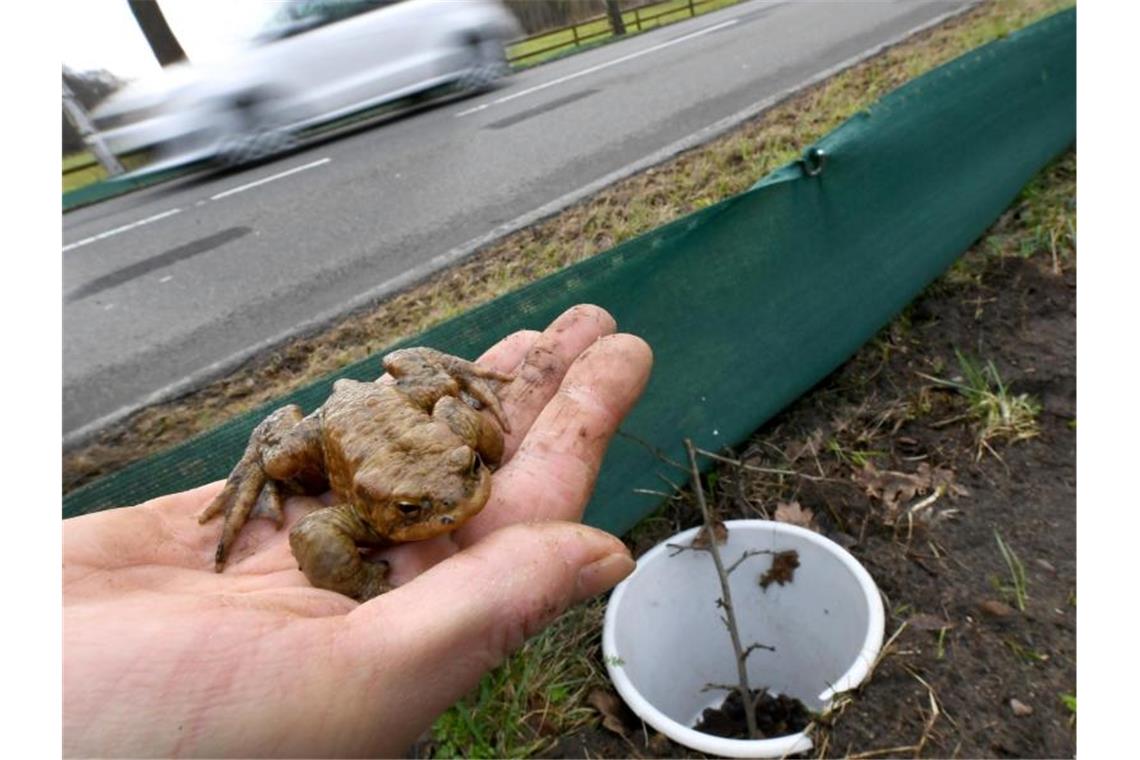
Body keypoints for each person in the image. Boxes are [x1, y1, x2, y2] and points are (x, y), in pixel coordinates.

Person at [63, 304, 653, 757]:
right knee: (279, 461)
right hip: (336, 431)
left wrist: (477, 446)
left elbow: (456, 418)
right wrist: (365, 584)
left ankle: (444, 411)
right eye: (417, 509)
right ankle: (253, 460)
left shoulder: (455, 441)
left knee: (448, 400)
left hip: (394, 409)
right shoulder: (360, 508)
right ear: (380, 506)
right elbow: (314, 535)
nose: (455, 509)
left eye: (469, 474)